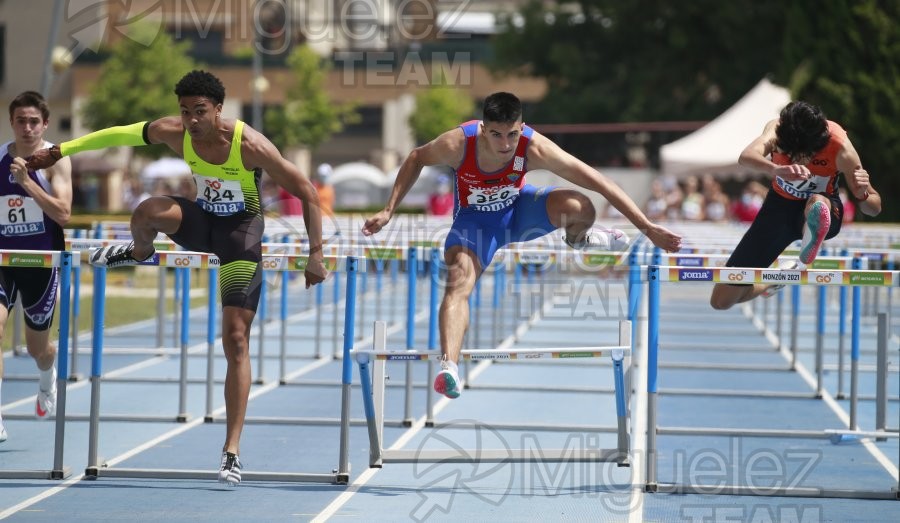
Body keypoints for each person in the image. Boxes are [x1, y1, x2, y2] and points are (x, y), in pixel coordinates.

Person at [26, 70, 328, 484]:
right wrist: (61, 149)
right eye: (185, 112)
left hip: (241, 235)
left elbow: (307, 192)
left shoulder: (249, 144)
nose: (191, 120)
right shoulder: (174, 131)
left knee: (236, 339)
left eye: (200, 111)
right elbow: (116, 134)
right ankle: (138, 251)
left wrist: (316, 254)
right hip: (202, 222)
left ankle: (231, 452)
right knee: (146, 211)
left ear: (219, 110)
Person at [362, 92, 682, 399]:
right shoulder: (458, 144)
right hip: (477, 226)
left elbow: (600, 181)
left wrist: (647, 227)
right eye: (497, 135)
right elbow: (417, 156)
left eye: (512, 135)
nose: (505, 145)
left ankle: (579, 239)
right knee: (458, 284)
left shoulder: (534, 147)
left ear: (521, 126)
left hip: (520, 213)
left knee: (581, 206)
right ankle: (450, 368)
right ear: (483, 130)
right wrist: (389, 209)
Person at [710, 101, 882, 310]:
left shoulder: (841, 148)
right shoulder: (776, 129)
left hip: (825, 207)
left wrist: (863, 194)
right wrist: (775, 169)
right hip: (778, 209)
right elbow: (746, 157)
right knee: (721, 301)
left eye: (805, 156)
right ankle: (773, 281)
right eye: (792, 155)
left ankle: (812, 230)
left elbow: (873, 208)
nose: (799, 161)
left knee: (817, 202)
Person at [0, 92, 73, 443]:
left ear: (44, 124)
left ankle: (47, 378)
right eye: (20, 121)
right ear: (12, 123)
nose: (27, 128)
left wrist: (27, 182)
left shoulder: (57, 160)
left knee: (37, 349)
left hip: (42, 264)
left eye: (34, 122)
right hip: (2, 261)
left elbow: (63, 214)